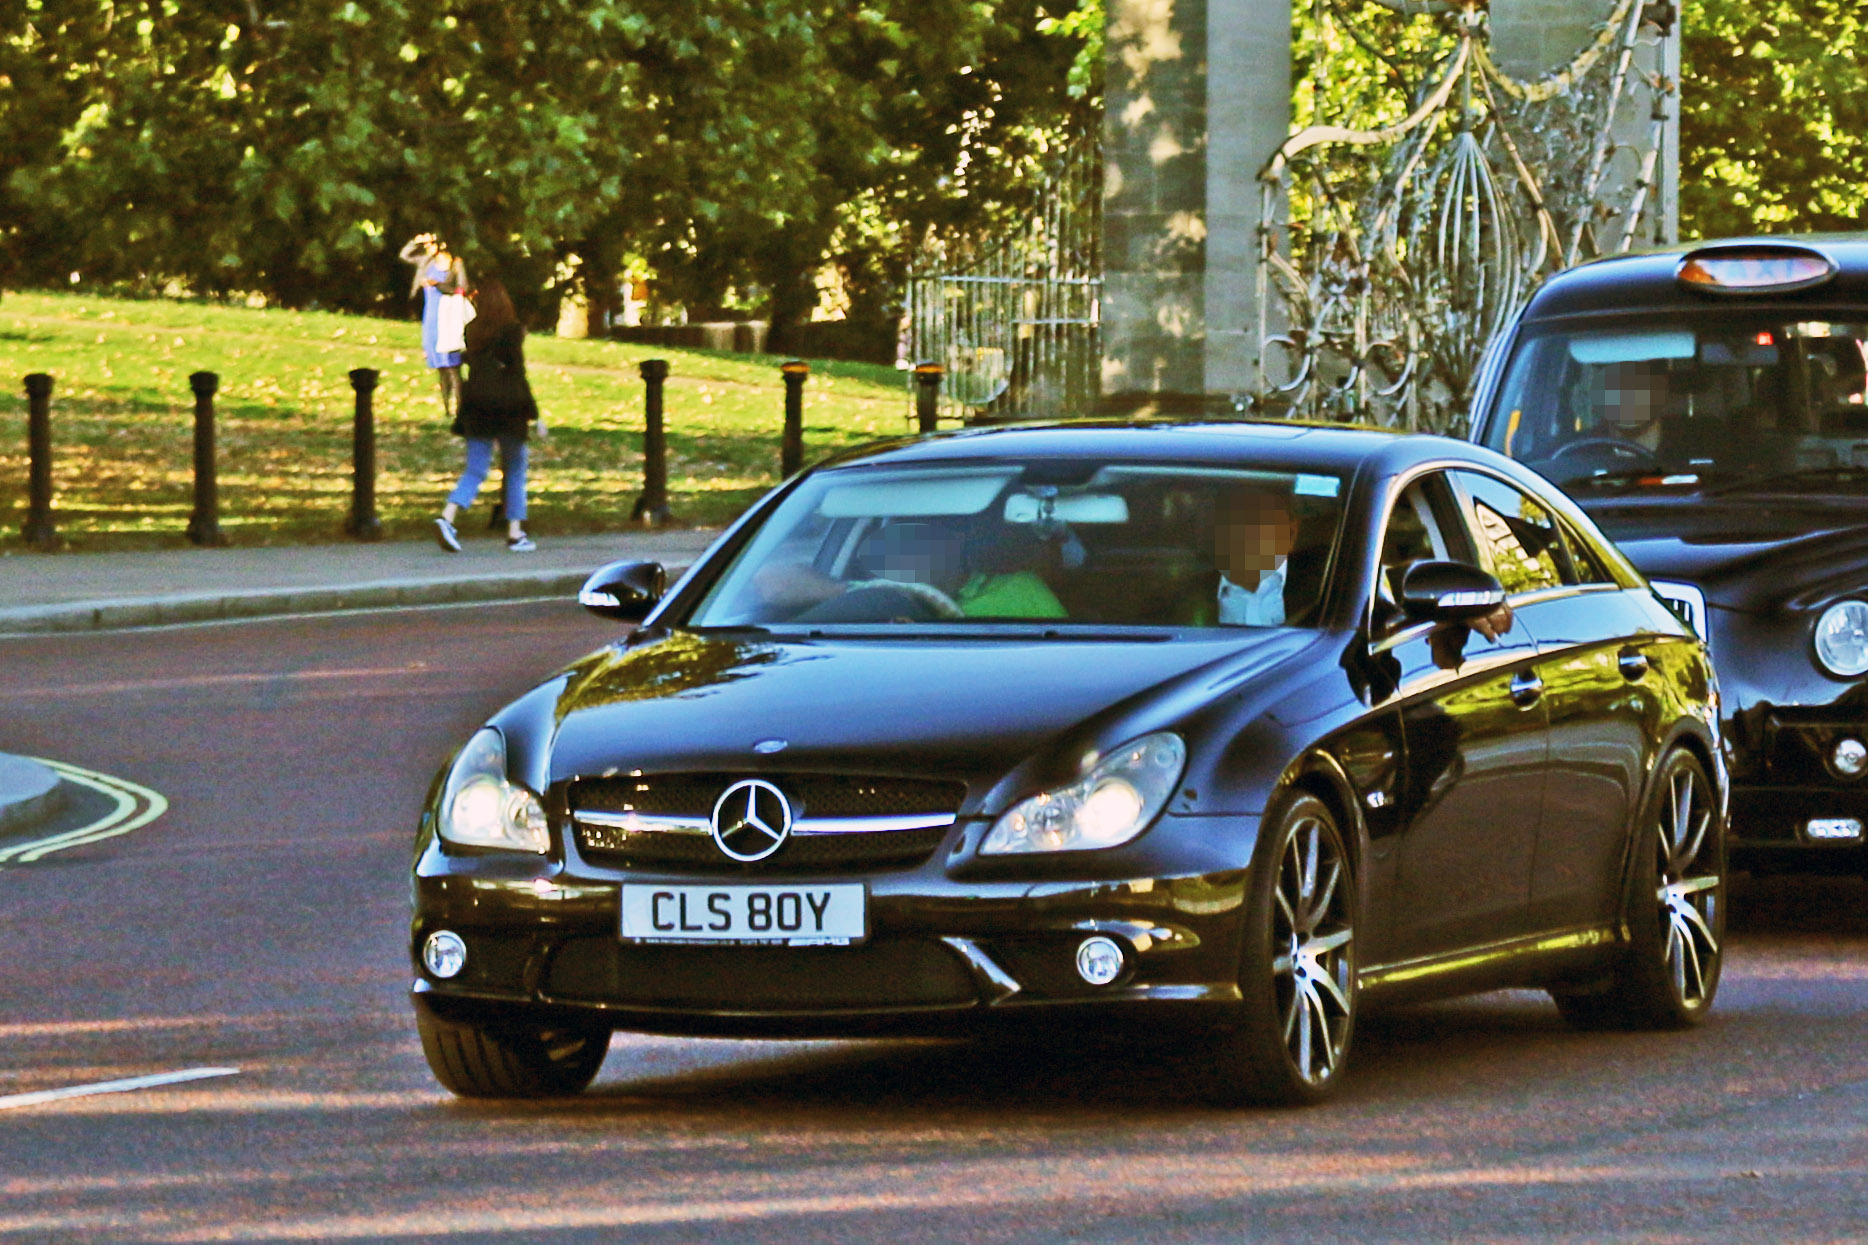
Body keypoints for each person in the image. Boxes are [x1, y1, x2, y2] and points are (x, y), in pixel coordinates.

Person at [435, 279, 539, 553]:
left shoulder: (473, 331)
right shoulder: (512, 332)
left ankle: (448, 515)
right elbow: (517, 373)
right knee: (516, 468)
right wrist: (534, 414)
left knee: (475, 469)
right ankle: (515, 532)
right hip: (508, 410)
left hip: (478, 407)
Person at [399, 233, 469, 420]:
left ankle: (461, 408)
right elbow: (405, 256)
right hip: (431, 317)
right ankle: (447, 409)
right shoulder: (426, 262)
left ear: (443, 245)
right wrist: (416, 241)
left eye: (431, 244)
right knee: (440, 366)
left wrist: (438, 285)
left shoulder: (456, 264)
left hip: (448, 316)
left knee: (453, 366)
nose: (428, 247)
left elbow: (462, 289)